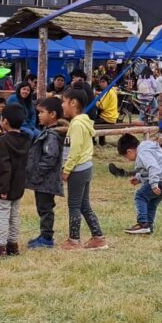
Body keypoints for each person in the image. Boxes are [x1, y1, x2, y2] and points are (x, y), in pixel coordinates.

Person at [60, 87, 108, 250]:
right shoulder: (82, 122)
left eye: (64, 102)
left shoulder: (77, 125)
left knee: (74, 205)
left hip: (78, 169)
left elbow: (75, 150)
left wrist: (67, 169)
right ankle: (98, 237)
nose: (62, 105)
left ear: (73, 103)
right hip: (85, 167)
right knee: (84, 205)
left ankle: (74, 240)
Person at [0, 103, 31, 257]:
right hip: (18, 185)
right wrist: (1, 136)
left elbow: (4, 167)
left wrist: (3, 188)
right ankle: (13, 244)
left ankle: (1, 247)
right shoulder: (26, 140)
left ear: (5, 121)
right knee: (14, 216)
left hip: (4, 187)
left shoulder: (4, 143)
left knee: (3, 216)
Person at [26, 96, 67, 249]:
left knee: (45, 208)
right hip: (43, 179)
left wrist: (38, 173)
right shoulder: (47, 131)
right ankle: (44, 234)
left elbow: (50, 157)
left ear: (53, 114)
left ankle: (47, 237)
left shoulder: (52, 135)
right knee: (42, 207)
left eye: (42, 112)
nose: (39, 115)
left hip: (46, 180)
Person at [118, 132, 162, 235]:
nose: (127, 159)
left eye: (126, 156)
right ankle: (148, 227)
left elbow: (153, 167)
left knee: (140, 196)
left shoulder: (143, 153)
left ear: (129, 151)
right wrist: (139, 178)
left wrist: (154, 184)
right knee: (151, 202)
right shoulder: (146, 149)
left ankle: (143, 224)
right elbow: (147, 170)